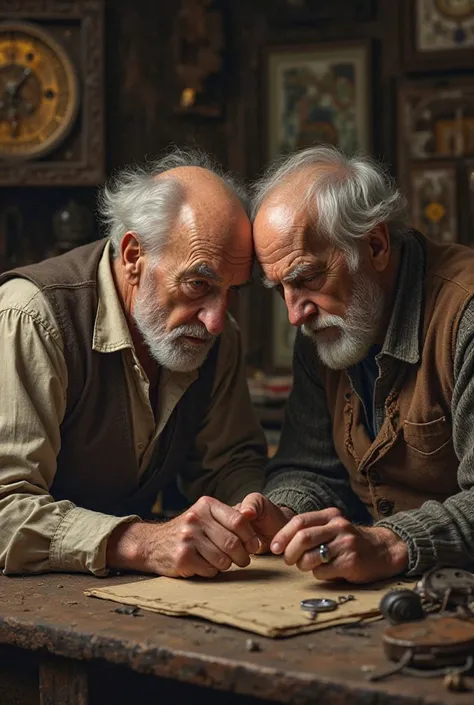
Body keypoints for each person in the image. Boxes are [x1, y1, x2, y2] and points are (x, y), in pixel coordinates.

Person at [0, 149, 267, 578]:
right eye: (199, 284)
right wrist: (140, 542)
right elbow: (5, 508)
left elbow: (229, 462)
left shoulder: (216, 334)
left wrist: (250, 507)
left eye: (234, 289)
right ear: (132, 256)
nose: (217, 320)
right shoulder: (32, 317)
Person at [239, 145, 474, 584]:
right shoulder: (323, 329)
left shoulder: (466, 315)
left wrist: (388, 543)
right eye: (279, 289)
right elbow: (308, 467)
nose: (295, 315)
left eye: (307, 278)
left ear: (375, 245)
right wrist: (283, 514)